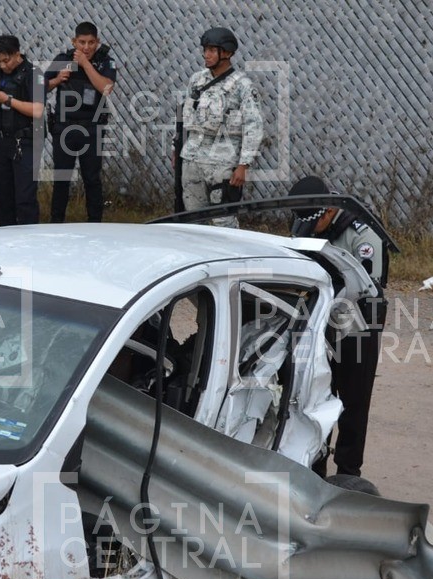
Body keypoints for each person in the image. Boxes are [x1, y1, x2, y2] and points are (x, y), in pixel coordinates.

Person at [287, 176, 396, 478]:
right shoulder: (308, 219)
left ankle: (348, 473)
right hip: (320, 318)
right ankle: (314, 468)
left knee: (353, 402)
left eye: (313, 223)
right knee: (316, 395)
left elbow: (368, 287)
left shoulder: (363, 236)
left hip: (358, 320)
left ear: (327, 213)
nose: (308, 229)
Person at [175, 27, 263, 228]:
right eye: (205, 49)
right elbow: (186, 117)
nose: (206, 54)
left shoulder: (242, 85)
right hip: (192, 157)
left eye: (212, 50)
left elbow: (254, 125)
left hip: (222, 162)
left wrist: (243, 165)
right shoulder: (197, 80)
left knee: (223, 220)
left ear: (227, 53)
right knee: (194, 219)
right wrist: (177, 149)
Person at [44, 21, 118, 223]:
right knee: (61, 179)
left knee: (92, 179)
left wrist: (85, 64)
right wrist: (57, 80)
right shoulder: (63, 59)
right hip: (64, 127)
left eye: (91, 42)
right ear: (74, 41)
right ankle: (56, 224)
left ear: (97, 42)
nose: (86, 47)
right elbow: (40, 87)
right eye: (82, 42)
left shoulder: (105, 62)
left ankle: (95, 224)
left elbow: (106, 88)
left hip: (91, 129)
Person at [0, 35, 44, 226]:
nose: (3, 65)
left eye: (6, 61)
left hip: (25, 142)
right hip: (0, 141)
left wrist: (7, 100)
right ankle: (5, 238)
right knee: (3, 196)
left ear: (17, 54)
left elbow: (38, 110)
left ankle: (27, 240)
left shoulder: (33, 74)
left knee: (24, 197)